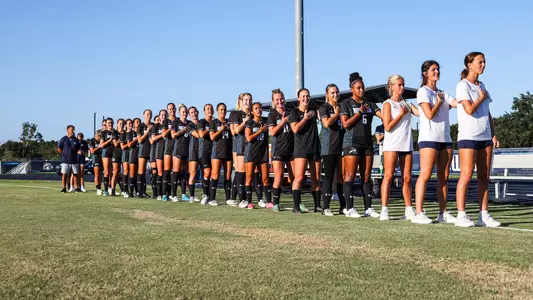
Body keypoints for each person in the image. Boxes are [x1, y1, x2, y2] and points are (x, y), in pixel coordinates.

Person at [455, 52, 500, 228]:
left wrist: (493, 133)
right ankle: (461, 215)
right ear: (469, 64)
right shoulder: (462, 86)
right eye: (480, 62)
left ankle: (484, 215)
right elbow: (469, 110)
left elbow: (486, 113)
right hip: (469, 136)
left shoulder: (482, 85)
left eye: (484, 62)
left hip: (485, 137)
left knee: (484, 176)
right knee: (466, 175)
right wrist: (481, 97)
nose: (483, 65)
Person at [412, 60, 458, 225]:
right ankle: (418, 212)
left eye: (438, 69)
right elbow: (429, 114)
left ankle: (443, 212)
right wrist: (439, 101)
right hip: (429, 138)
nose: (437, 72)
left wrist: (468, 100)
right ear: (425, 73)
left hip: (445, 139)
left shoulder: (443, 93)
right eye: (433, 69)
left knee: (444, 176)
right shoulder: (423, 92)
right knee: (425, 174)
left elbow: (456, 103)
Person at [340, 72, 382, 218]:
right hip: (351, 143)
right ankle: (349, 208)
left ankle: (368, 208)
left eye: (363, 88)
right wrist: (359, 113)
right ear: (352, 89)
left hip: (367, 143)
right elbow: (345, 124)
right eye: (358, 88)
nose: (361, 90)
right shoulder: (346, 103)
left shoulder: (369, 103)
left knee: (366, 176)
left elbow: (383, 115)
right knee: (350, 176)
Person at [379, 75, 420, 221]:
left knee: (407, 178)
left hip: (406, 144)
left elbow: (421, 113)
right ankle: (384, 209)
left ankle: (408, 209)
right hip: (392, 145)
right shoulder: (387, 104)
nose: (402, 88)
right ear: (391, 86)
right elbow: (388, 126)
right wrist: (401, 114)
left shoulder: (407, 104)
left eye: (403, 85)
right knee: (389, 176)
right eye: (399, 85)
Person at [289, 88, 321, 214]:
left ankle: (317, 205)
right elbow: (295, 129)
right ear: (298, 98)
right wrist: (305, 118)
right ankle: (296, 206)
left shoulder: (313, 111)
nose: (305, 98)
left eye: (307, 96)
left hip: (314, 148)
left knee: (316, 178)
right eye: (303, 96)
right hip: (301, 149)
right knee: (299, 177)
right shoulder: (294, 112)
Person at [320, 84, 345, 216]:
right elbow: (326, 123)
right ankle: (325, 207)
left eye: (337, 92)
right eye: (332, 93)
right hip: (328, 146)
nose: (335, 95)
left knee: (340, 177)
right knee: (329, 176)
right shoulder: (324, 107)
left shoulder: (341, 107)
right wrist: (336, 114)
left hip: (340, 146)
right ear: (327, 94)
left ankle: (343, 207)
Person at [268, 89, 294, 212]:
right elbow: (272, 132)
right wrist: (283, 122)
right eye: (277, 100)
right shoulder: (272, 115)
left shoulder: (290, 112)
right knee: (278, 177)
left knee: (295, 177)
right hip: (278, 150)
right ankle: (276, 203)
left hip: (292, 150)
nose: (280, 101)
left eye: (281, 98)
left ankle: (297, 203)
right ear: (273, 101)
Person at [243, 102, 270, 209]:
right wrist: (260, 131)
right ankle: (249, 202)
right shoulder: (249, 123)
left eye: (260, 108)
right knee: (249, 178)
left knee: (265, 178)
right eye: (256, 108)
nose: (258, 110)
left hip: (263, 153)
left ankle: (268, 201)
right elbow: (249, 138)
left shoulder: (265, 122)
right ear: (252, 111)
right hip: (251, 153)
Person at [208, 103, 233, 206]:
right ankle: (212, 198)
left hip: (228, 152)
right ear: (217, 111)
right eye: (221, 110)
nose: (223, 112)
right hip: (217, 152)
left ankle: (228, 198)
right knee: (215, 175)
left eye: (224, 110)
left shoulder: (229, 122)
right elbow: (212, 137)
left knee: (228, 176)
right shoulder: (214, 122)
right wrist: (222, 129)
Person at [232, 94, 252, 207]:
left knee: (252, 174)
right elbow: (236, 130)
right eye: (246, 100)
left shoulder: (253, 114)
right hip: (241, 145)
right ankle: (242, 199)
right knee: (241, 173)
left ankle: (253, 199)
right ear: (241, 101)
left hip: (252, 146)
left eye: (250, 100)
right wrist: (245, 122)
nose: (248, 102)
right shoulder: (237, 114)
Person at [171, 104, 191, 202]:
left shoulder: (190, 123)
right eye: (183, 112)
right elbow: (173, 135)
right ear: (179, 113)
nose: (185, 113)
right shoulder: (176, 122)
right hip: (177, 150)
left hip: (187, 151)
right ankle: (173, 195)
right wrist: (183, 130)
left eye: (186, 112)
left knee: (184, 174)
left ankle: (184, 194)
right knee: (176, 172)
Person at [198, 104, 214, 204]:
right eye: (207, 109)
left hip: (215, 150)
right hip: (204, 151)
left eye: (211, 109)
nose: (209, 110)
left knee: (213, 174)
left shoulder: (215, 121)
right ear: (204, 111)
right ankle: (205, 194)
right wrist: (210, 129)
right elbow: (201, 135)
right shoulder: (202, 122)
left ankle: (211, 196)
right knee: (207, 172)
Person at [161, 103, 177, 201]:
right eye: (170, 109)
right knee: (166, 171)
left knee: (175, 172)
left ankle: (173, 194)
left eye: (173, 108)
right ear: (168, 111)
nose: (172, 110)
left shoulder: (178, 120)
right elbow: (163, 135)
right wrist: (171, 128)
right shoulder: (165, 121)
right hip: (168, 147)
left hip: (178, 147)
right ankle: (164, 194)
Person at [58, 125, 80, 193]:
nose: (73, 131)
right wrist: (65, 154)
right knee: (64, 174)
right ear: (68, 130)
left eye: (73, 130)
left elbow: (78, 148)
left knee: (75, 174)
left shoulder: (76, 139)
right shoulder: (63, 139)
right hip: (65, 160)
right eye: (71, 130)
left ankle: (76, 188)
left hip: (74, 160)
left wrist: (79, 151)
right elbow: (59, 149)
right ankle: (64, 188)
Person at [187, 106, 201, 203]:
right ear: (189, 114)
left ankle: (206, 195)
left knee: (206, 173)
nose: (194, 113)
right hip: (194, 151)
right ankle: (192, 196)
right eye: (191, 112)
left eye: (195, 111)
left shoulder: (202, 123)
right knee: (193, 173)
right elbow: (198, 135)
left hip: (204, 150)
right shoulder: (189, 125)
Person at [137, 109, 153, 198]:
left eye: (150, 114)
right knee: (141, 171)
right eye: (147, 114)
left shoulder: (153, 125)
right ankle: (140, 192)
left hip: (152, 150)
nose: (149, 116)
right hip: (143, 150)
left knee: (153, 171)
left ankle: (149, 192)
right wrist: (147, 131)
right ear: (144, 115)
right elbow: (140, 140)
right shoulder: (141, 126)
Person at [151, 112, 166, 199]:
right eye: (162, 115)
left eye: (165, 115)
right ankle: (157, 193)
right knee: (157, 172)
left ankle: (166, 193)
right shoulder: (155, 127)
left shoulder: (168, 125)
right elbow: (153, 139)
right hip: (156, 151)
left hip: (167, 150)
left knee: (165, 172)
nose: (163, 117)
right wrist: (162, 135)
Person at [126, 118, 141, 198]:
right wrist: (136, 139)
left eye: (139, 122)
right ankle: (131, 192)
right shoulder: (130, 133)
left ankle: (139, 192)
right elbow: (129, 145)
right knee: (132, 174)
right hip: (133, 155)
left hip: (141, 154)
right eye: (136, 122)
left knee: (139, 174)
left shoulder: (141, 132)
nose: (138, 123)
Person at [110, 118, 125, 196]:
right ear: (117, 124)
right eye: (120, 123)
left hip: (124, 153)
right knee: (115, 172)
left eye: (122, 123)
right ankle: (112, 190)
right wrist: (121, 138)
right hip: (116, 153)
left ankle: (124, 190)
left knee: (123, 172)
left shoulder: (125, 132)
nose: (121, 125)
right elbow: (115, 144)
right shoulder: (114, 132)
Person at [100, 118, 114, 197]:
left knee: (113, 172)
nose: (110, 124)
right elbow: (102, 145)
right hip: (106, 153)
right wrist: (110, 140)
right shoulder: (104, 133)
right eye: (108, 123)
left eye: (111, 123)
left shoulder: (115, 132)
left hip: (114, 153)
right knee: (107, 172)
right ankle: (105, 190)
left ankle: (111, 188)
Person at [120, 119, 132, 198]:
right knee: (126, 171)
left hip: (133, 153)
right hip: (126, 154)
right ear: (125, 125)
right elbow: (122, 147)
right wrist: (130, 144)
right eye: (128, 124)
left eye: (131, 123)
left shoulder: (134, 133)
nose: (130, 125)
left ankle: (133, 191)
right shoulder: (123, 134)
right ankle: (125, 190)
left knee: (132, 172)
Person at [89, 130, 103, 195]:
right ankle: (98, 189)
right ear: (96, 135)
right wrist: (99, 146)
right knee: (97, 174)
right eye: (98, 136)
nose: (99, 138)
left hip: (102, 157)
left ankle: (100, 187)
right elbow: (92, 151)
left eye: (100, 136)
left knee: (100, 174)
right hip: (96, 158)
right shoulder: (92, 141)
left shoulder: (101, 140)